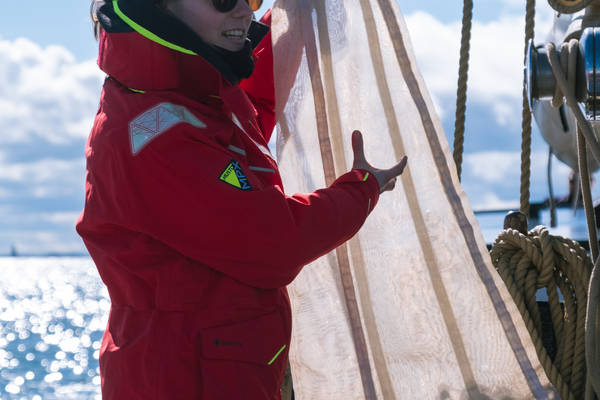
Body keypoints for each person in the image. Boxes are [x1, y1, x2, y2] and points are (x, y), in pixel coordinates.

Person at [77, 0, 408, 399]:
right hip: (182, 381)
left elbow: (251, 116)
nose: (243, 11)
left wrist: (289, 19)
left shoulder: (193, 96)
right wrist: (361, 189)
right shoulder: (152, 137)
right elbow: (275, 244)